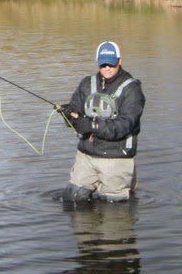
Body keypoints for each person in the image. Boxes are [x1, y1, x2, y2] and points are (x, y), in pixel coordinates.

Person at [60, 41, 145, 203]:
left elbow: (125, 125)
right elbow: (75, 115)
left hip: (116, 158)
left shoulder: (131, 89)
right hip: (87, 156)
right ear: (98, 62)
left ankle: (128, 185)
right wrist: (68, 114)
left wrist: (93, 126)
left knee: (114, 209)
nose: (107, 68)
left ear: (120, 60)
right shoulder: (86, 84)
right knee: (73, 198)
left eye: (111, 64)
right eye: (103, 64)